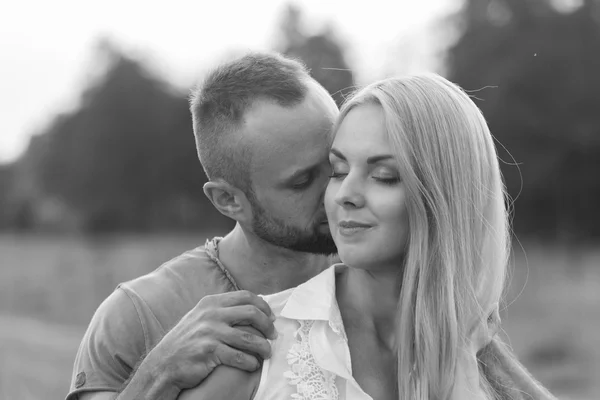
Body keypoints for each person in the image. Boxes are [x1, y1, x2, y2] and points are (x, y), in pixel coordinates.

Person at [178, 74, 557, 399]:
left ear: (446, 197)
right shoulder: (256, 347)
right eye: (339, 170)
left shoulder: (490, 367)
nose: (344, 194)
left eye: (384, 176)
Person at [66, 52, 340, 400]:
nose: (337, 192)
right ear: (228, 200)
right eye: (302, 182)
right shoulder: (137, 314)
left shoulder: (387, 277)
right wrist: (157, 373)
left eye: (338, 163)